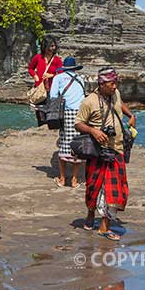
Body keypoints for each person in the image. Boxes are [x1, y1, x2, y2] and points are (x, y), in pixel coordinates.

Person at [75, 67, 136, 241]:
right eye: (111, 83)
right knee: (93, 187)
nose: (115, 86)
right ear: (101, 84)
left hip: (116, 150)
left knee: (114, 191)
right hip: (97, 151)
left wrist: (130, 114)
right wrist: (93, 131)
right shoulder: (89, 101)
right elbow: (78, 123)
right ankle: (90, 214)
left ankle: (104, 227)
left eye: (116, 82)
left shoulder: (115, 94)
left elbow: (119, 104)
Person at [49, 57, 86, 187]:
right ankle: (75, 180)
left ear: (64, 67)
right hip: (81, 114)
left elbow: (53, 96)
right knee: (78, 145)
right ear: (75, 68)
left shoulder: (58, 78)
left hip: (66, 113)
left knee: (64, 144)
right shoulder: (81, 79)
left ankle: (63, 178)